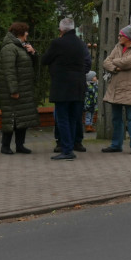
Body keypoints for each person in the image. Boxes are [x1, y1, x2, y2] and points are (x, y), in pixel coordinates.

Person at [41, 17, 91, 160]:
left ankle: (67, 149)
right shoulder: (81, 44)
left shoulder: (58, 43)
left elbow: (45, 60)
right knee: (74, 118)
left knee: (62, 118)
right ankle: (73, 145)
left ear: (61, 30)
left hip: (62, 86)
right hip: (79, 86)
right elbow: (87, 63)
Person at [0, 22, 40, 155]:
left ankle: (20, 145)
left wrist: (33, 53)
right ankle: (5, 146)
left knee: (23, 118)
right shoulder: (9, 48)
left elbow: (33, 65)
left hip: (25, 89)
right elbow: (9, 71)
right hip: (15, 90)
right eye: (26, 32)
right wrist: (13, 90)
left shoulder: (21, 47)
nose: (27, 34)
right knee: (11, 118)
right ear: (20, 33)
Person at [101, 24, 131, 154]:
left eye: (121, 35)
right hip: (115, 87)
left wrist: (115, 62)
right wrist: (115, 67)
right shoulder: (117, 47)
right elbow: (106, 62)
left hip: (128, 88)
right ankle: (116, 144)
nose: (118, 37)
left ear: (128, 37)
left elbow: (128, 62)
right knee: (116, 118)